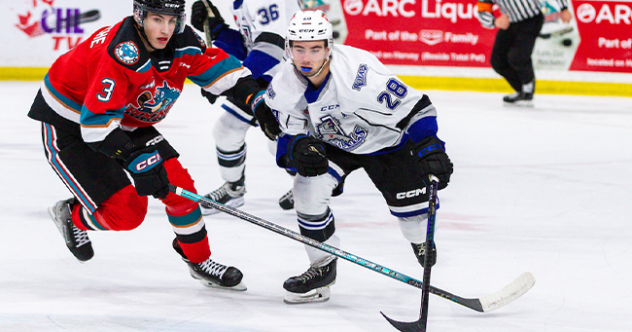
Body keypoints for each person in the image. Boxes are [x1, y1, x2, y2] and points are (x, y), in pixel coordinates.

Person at [27, 0, 274, 291]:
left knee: (181, 190)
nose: (166, 29)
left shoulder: (183, 40)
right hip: (70, 123)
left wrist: (257, 101)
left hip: (125, 116)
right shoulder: (122, 52)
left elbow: (221, 70)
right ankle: (73, 216)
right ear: (140, 16)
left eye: (172, 20)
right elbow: (95, 124)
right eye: (158, 19)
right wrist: (134, 158)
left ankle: (199, 261)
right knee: (127, 214)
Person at [264, 10, 454, 304]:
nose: (306, 58)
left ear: (328, 47)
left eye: (315, 49)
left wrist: (430, 146)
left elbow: (418, 108)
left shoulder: (360, 76)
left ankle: (419, 239)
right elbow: (287, 136)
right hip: (335, 144)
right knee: (306, 192)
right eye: (299, 48)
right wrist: (296, 150)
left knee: (415, 221)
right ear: (289, 48)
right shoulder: (283, 84)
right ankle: (322, 267)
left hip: (387, 144)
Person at [189, 0, 302, 214]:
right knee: (227, 129)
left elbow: (272, 48)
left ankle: (310, 184)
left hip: (289, 81)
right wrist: (218, 30)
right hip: (265, 78)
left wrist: (230, 78)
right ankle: (234, 190)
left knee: (279, 144)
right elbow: (249, 47)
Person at [477, 0, 573, 106]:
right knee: (497, 61)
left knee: (517, 57)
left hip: (532, 20)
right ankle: (520, 89)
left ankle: (527, 86)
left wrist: (564, 8)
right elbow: (483, 10)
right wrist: (494, 21)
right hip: (510, 21)